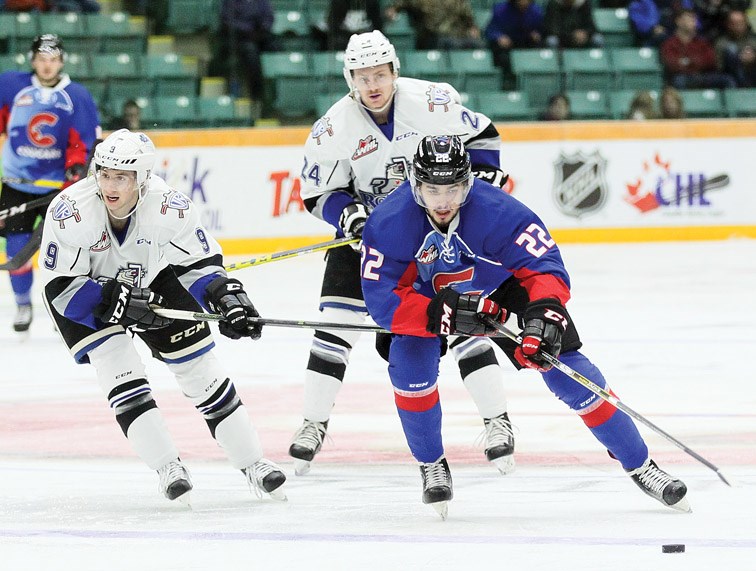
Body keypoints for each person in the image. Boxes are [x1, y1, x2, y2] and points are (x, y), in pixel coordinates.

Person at [360, 135, 690, 517]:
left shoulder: (497, 210)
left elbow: (544, 266)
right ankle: (431, 464)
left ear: (468, 182)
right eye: (433, 189)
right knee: (409, 366)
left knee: (564, 364)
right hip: (426, 299)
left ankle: (641, 464)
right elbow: (382, 298)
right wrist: (437, 314)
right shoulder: (388, 222)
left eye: (453, 188)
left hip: (499, 288)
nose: (444, 200)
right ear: (416, 184)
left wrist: (545, 314)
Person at [294, 30, 515, 477]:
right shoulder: (334, 127)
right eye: (361, 76)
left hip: (433, 233)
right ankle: (312, 424)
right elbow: (317, 192)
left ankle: (497, 421)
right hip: (372, 240)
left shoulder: (434, 101)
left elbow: (484, 135)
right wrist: (350, 215)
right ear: (349, 78)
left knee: (464, 321)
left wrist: (484, 176)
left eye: (379, 74)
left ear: (395, 71)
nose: (372, 84)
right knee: (333, 328)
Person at [38, 129, 287, 504]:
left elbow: (198, 266)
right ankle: (167, 466)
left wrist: (226, 297)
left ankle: (253, 462)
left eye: (121, 177)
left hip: (152, 278)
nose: (110, 184)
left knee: (200, 369)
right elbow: (61, 290)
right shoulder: (71, 211)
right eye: (104, 173)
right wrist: (111, 298)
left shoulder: (170, 208)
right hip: (83, 292)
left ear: (142, 178)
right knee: (118, 368)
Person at [0, 34, 100, 333]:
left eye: (53, 60)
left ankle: (66, 306)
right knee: (16, 249)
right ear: (33, 61)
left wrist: (75, 171)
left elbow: (84, 141)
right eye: (42, 60)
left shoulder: (77, 95)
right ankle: (22, 303)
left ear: (61, 61)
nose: (47, 66)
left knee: (66, 252)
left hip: (59, 190)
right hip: (18, 183)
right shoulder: (11, 85)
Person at [660, 8, 737, 88]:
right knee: (679, 81)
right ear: (678, 21)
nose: (693, 22)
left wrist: (688, 62)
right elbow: (672, 65)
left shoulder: (702, 42)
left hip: (703, 76)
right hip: (683, 77)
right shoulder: (669, 44)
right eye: (690, 18)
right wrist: (696, 62)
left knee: (727, 80)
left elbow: (711, 61)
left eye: (694, 19)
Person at [385, 0, 485, 50]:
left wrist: (472, 27)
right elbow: (404, 2)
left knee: (478, 44)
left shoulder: (457, 1)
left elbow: (467, 15)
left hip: (458, 34)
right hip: (433, 35)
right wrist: (394, 9)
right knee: (450, 43)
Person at [485, 0, 545, 71]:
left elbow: (542, 30)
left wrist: (537, 34)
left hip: (527, 44)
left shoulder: (537, 11)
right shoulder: (500, 10)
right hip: (508, 45)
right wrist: (499, 36)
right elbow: (490, 30)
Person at [715, 10, 756, 87]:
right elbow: (718, 66)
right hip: (731, 75)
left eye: (741, 23)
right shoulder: (721, 43)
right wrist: (738, 59)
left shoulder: (753, 40)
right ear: (728, 24)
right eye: (734, 23)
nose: (738, 26)